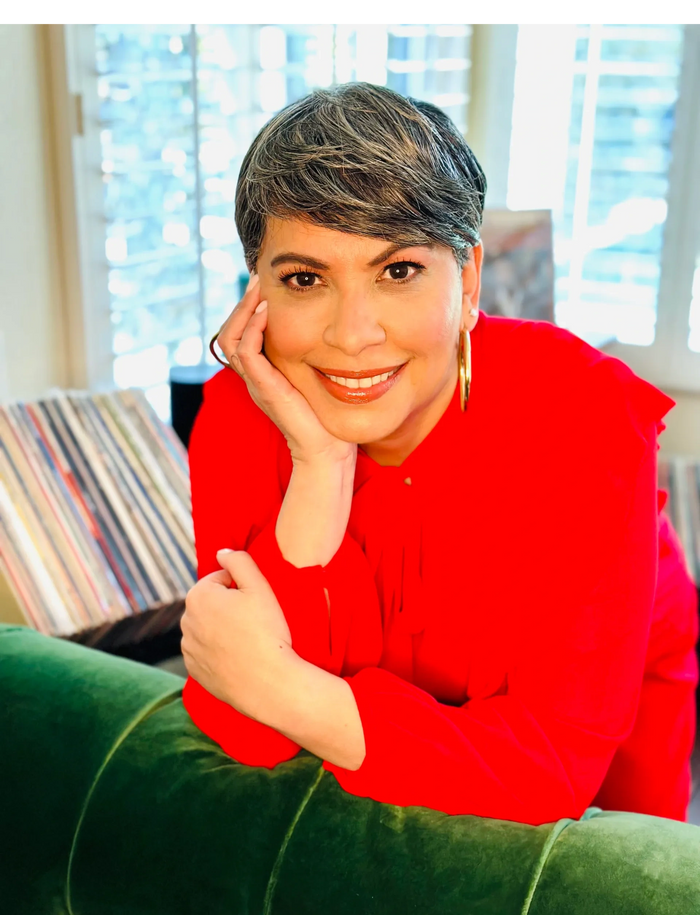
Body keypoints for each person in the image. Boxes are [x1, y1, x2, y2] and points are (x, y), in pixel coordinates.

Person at [179, 82, 699, 827]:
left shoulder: (581, 411)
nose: (352, 335)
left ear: (469, 280)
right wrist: (320, 464)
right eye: (305, 278)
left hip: (616, 673)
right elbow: (248, 732)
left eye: (398, 271)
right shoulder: (238, 415)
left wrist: (290, 692)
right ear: (257, 290)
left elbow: (552, 767)